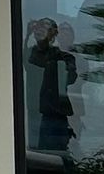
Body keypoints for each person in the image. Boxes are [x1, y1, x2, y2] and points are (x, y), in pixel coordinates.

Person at [26, 16, 79, 152]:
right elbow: (27, 60)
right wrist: (27, 35)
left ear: (54, 33)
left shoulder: (62, 56)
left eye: (46, 28)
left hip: (56, 113)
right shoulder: (34, 53)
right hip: (35, 112)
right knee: (38, 154)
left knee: (56, 154)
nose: (41, 31)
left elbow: (71, 77)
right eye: (39, 27)